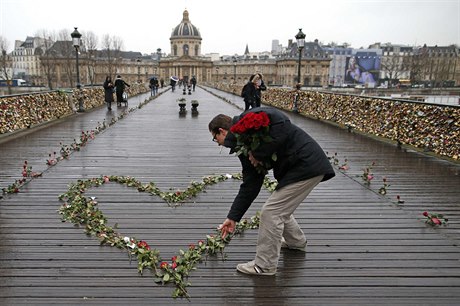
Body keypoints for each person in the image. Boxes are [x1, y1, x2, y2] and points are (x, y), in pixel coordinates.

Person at [208, 106, 335, 276]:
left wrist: (259, 153)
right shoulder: (243, 146)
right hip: (300, 167)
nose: (218, 143)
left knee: (271, 212)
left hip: (306, 164)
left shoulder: (246, 120)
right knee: (280, 207)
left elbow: (280, 120)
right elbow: (251, 184)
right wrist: (233, 217)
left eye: (215, 139)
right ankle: (296, 242)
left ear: (222, 131)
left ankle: (264, 265)